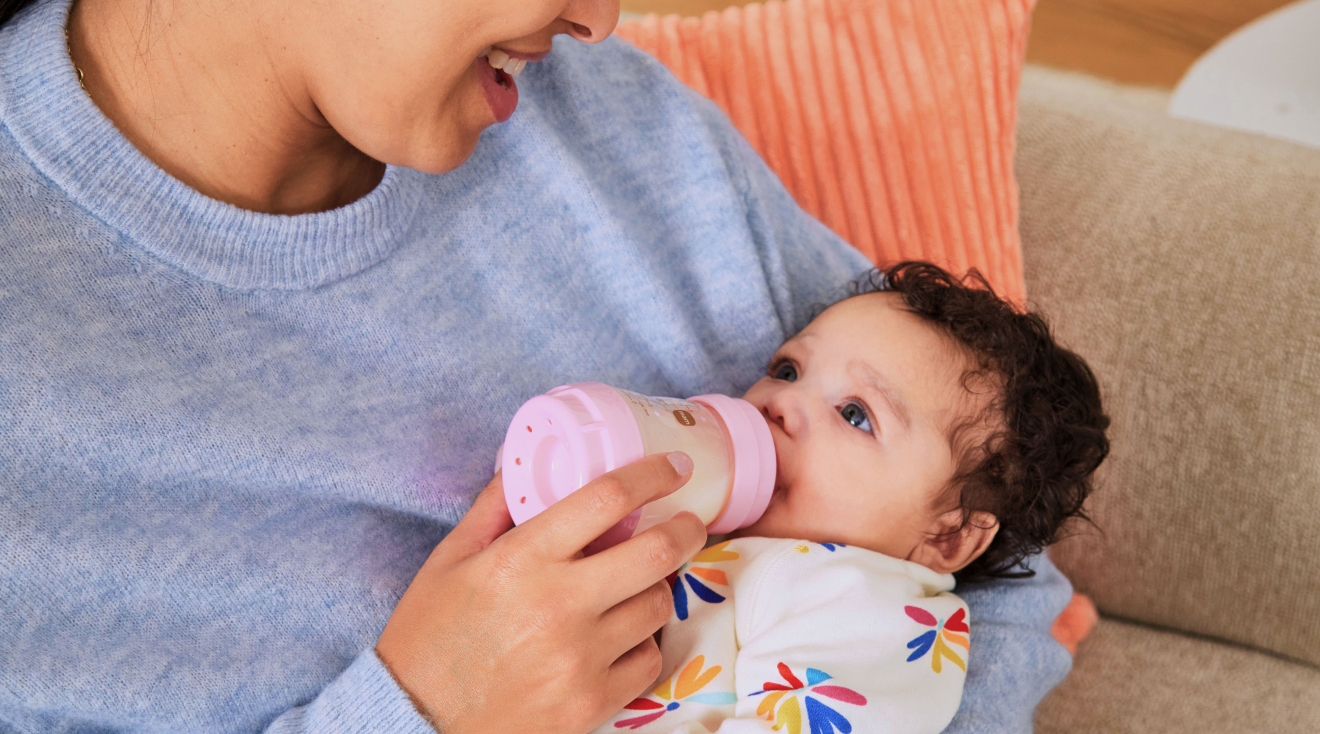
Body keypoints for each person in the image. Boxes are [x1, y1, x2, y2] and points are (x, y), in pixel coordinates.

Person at [0, 0, 1076, 730]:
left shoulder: (620, 130)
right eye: (788, 373)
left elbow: (1000, 571)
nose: (601, 17)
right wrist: (420, 708)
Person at [589, 263, 1108, 732]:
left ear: (949, 535)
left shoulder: (864, 610)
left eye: (855, 414)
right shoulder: (717, 522)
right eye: (788, 370)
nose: (781, 402)